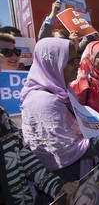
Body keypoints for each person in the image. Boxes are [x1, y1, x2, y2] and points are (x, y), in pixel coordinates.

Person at [20, 38, 99, 187]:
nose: (78, 65)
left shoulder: (64, 90)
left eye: (77, 59)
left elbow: (81, 127)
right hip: (65, 181)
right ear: (53, 63)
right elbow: (67, 151)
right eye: (70, 61)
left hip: (83, 167)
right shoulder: (44, 101)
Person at [0, 40, 79, 205]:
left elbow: (22, 155)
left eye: (16, 51)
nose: (12, 56)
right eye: (6, 53)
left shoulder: (1, 116)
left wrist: (56, 187)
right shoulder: (41, 100)